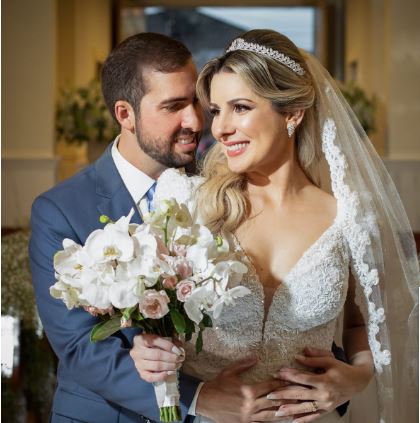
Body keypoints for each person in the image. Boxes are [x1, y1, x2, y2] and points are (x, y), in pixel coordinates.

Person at [30, 31, 350, 423]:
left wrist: (348, 376)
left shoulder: (214, 189)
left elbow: (302, 318)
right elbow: (81, 347)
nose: (198, 121)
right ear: (125, 114)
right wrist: (199, 398)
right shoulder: (61, 211)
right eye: (173, 106)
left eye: (198, 103)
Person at [132, 30, 419, 423]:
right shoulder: (188, 204)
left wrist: (357, 376)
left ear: (293, 113)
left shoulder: (348, 217)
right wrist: (145, 349)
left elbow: (359, 322)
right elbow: (153, 321)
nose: (220, 128)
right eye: (216, 110)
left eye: (241, 107)